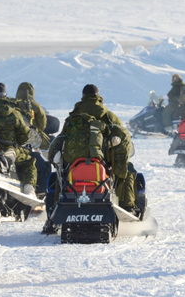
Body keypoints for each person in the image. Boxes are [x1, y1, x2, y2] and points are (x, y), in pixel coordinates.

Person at [49, 84, 137, 213]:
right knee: (127, 171)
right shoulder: (108, 116)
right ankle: (127, 206)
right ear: (98, 96)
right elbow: (121, 134)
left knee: (62, 174)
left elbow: (63, 136)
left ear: (83, 96)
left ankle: (55, 208)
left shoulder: (73, 118)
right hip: (102, 158)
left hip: (73, 159)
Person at [0, 82, 37, 194]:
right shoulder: (13, 112)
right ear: (4, 94)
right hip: (7, 150)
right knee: (29, 161)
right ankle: (29, 189)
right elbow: (24, 136)